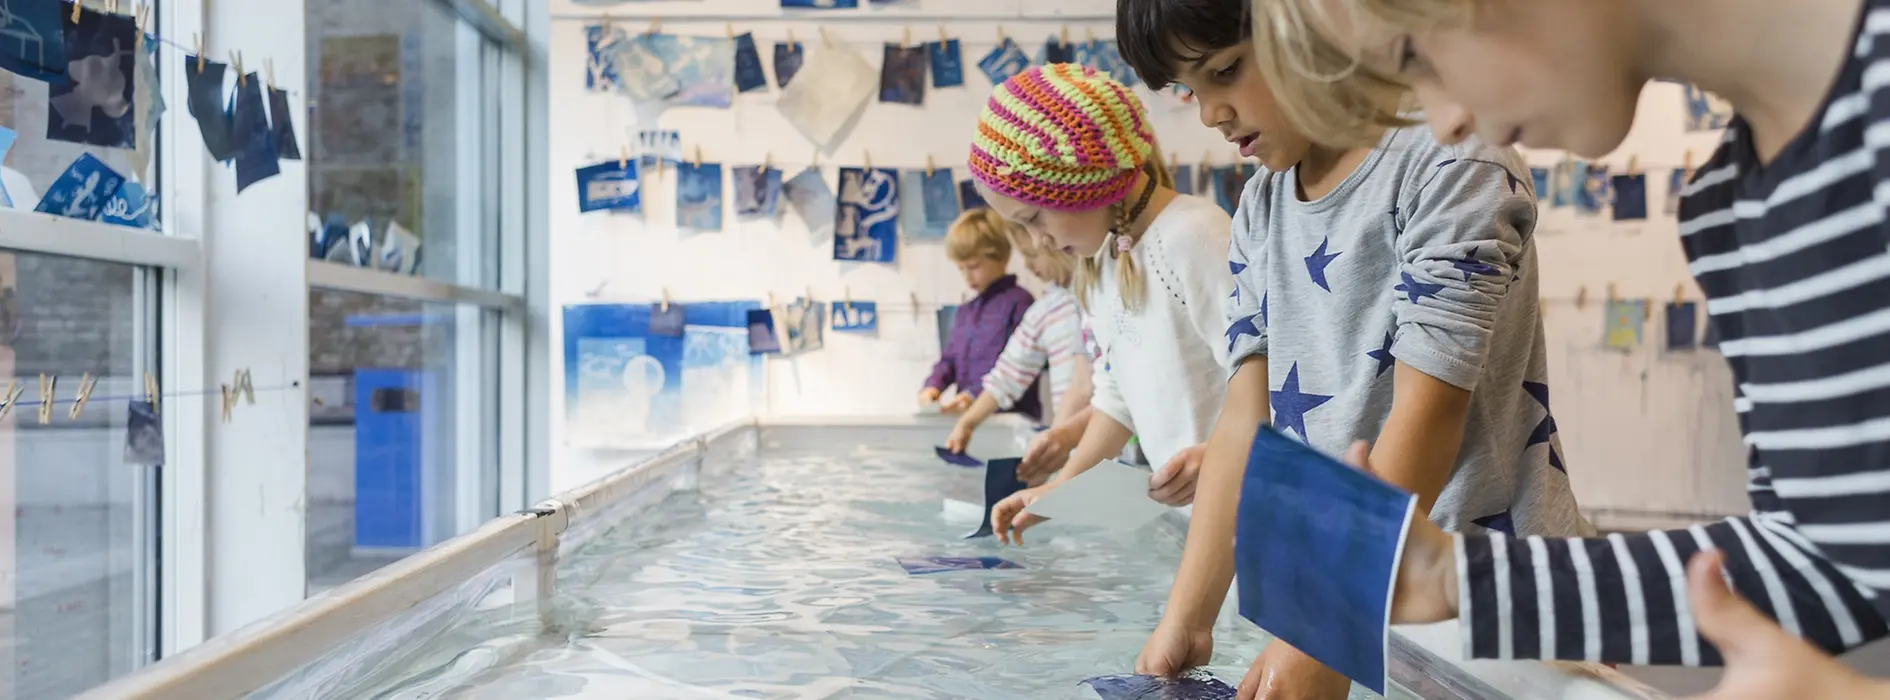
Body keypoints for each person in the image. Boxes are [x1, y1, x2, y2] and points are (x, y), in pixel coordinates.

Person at [1250, 0, 1890, 696]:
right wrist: (1455, 578)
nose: (1446, 121)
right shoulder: (1727, 210)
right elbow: (1830, 560)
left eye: (1416, 57)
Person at [1113, 1, 1592, 696]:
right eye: (1192, 90)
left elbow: (1426, 415)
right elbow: (1243, 423)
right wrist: (1186, 622)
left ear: (1313, 24)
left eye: (1226, 70)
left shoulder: (1450, 157)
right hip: (1355, 585)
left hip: (1490, 603)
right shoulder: (1261, 207)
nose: (1212, 113)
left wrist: (1321, 627)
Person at [971, 63, 1234, 539]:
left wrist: (1223, 452)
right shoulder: (1101, 267)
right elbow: (1118, 398)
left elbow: (1269, 379)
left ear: (1080, 181)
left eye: (1034, 218)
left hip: (1245, 509)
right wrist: (1061, 487)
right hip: (1193, 523)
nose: (1039, 241)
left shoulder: (1192, 236)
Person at [945, 225, 1091, 466]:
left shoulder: (1097, 294)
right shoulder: (1044, 311)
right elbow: (1006, 376)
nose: (1028, 266)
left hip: (1116, 435)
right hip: (1073, 444)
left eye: (1032, 256)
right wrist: (967, 422)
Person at [919, 209, 1039, 419]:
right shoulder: (965, 311)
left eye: (974, 266)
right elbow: (949, 361)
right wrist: (933, 386)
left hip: (1010, 419)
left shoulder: (1020, 303)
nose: (967, 276)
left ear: (1000, 256)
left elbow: (1021, 368)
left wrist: (972, 395)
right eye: (961, 268)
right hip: (970, 420)